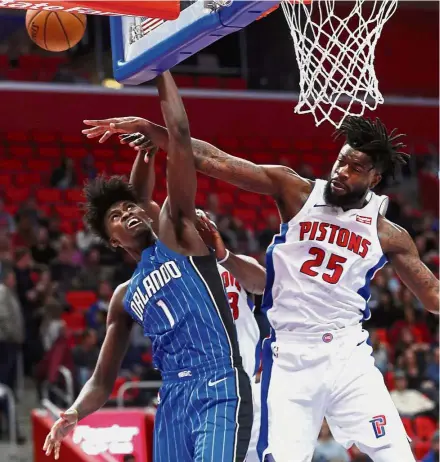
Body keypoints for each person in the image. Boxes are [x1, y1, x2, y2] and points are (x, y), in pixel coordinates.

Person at [84, 112, 439, 461]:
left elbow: (433, 297)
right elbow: (213, 159)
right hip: (290, 354)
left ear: (374, 179)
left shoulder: (388, 234)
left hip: (348, 352)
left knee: (396, 453)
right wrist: (154, 131)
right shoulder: (296, 190)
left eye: (355, 169)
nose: (341, 173)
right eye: (341, 162)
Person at [43, 72, 253, 462]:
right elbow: (102, 380)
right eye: (117, 218)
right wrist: (73, 413)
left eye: (129, 208)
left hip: (220, 382)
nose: (128, 214)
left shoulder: (180, 234)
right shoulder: (124, 297)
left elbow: (181, 135)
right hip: (172, 397)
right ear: (112, 242)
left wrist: (160, 67)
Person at [117, 130, 266, 462]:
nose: (197, 221)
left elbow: (266, 285)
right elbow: (143, 203)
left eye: (203, 218)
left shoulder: (235, 265)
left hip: (246, 385)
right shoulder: (176, 269)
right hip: (203, 385)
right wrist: (149, 152)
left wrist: (225, 256)